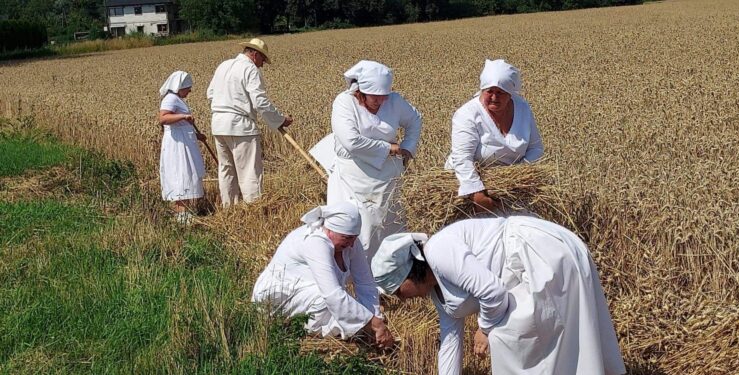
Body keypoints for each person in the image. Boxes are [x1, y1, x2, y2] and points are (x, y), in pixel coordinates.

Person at [371, 217, 626, 375]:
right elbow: (450, 342)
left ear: (409, 274)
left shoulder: (438, 250)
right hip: (524, 271)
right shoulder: (437, 294)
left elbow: (493, 293)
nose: (401, 299)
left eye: (398, 292)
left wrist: (484, 330)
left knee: (507, 335)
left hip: (539, 255)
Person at [252, 202, 394, 348]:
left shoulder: (351, 241)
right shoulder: (315, 242)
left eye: (354, 237)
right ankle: (309, 329)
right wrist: (374, 325)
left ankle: (353, 330)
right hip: (275, 297)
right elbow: (332, 294)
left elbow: (365, 283)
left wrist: (376, 319)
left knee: (343, 304)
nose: (352, 244)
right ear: (330, 230)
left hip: (305, 293)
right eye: (346, 238)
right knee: (327, 298)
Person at [323, 60, 422, 262]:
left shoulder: (394, 101)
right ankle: (356, 276)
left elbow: (415, 120)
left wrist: (408, 149)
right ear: (361, 90)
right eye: (374, 97)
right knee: (359, 227)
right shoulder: (344, 102)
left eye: (383, 96)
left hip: (388, 176)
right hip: (353, 176)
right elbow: (351, 142)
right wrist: (390, 148)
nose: (380, 101)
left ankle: (389, 273)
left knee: (389, 224)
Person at [445, 59, 544, 211]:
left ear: (510, 94)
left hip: (512, 186)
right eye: (489, 91)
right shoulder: (467, 114)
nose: (494, 97)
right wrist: (477, 194)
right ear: (482, 90)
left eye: (500, 93)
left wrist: (518, 176)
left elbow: (535, 148)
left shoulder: (522, 108)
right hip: (471, 182)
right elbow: (462, 157)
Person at [207, 38, 293, 206]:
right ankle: (254, 209)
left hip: (218, 125)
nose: (262, 65)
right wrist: (280, 120)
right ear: (255, 54)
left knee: (226, 170)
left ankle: (229, 209)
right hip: (241, 127)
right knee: (249, 172)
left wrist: (225, 107)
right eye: (262, 60)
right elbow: (259, 101)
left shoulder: (223, 66)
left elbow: (210, 94)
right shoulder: (250, 69)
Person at [158, 70, 206, 224]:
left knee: (186, 173)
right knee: (180, 174)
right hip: (177, 146)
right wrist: (183, 116)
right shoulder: (170, 99)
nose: (190, 90)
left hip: (184, 142)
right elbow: (163, 118)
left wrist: (197, 135)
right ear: (180, 86)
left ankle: (184, 214)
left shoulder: (177, 99)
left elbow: (181, 125)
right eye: (188, 87)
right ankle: (181, 214)